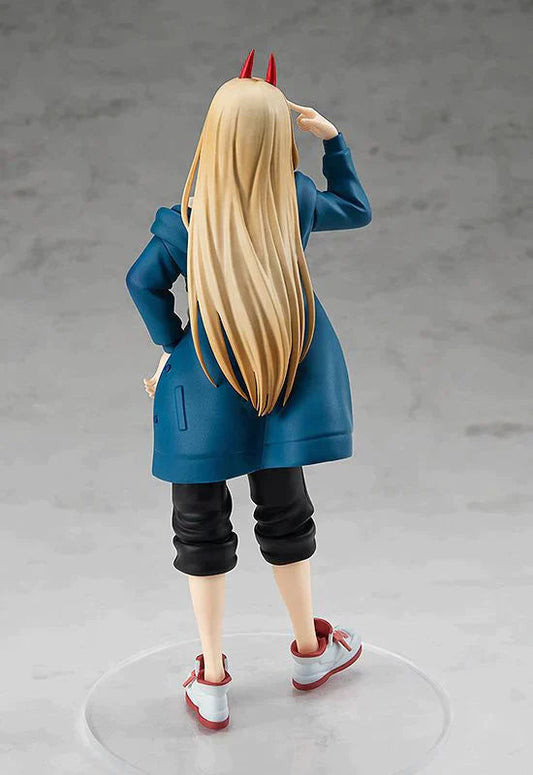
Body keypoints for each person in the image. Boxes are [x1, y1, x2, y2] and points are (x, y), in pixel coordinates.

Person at [125, 49, 372, 731]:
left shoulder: (184, 219)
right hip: (279, 368)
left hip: (203, 384)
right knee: (286, 511)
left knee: (198, 524)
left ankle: (210, 676)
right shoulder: (294, 200)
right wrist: (333, 141)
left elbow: (141, 282)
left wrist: (173, 342)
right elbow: (356, 209)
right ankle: (308, 650)